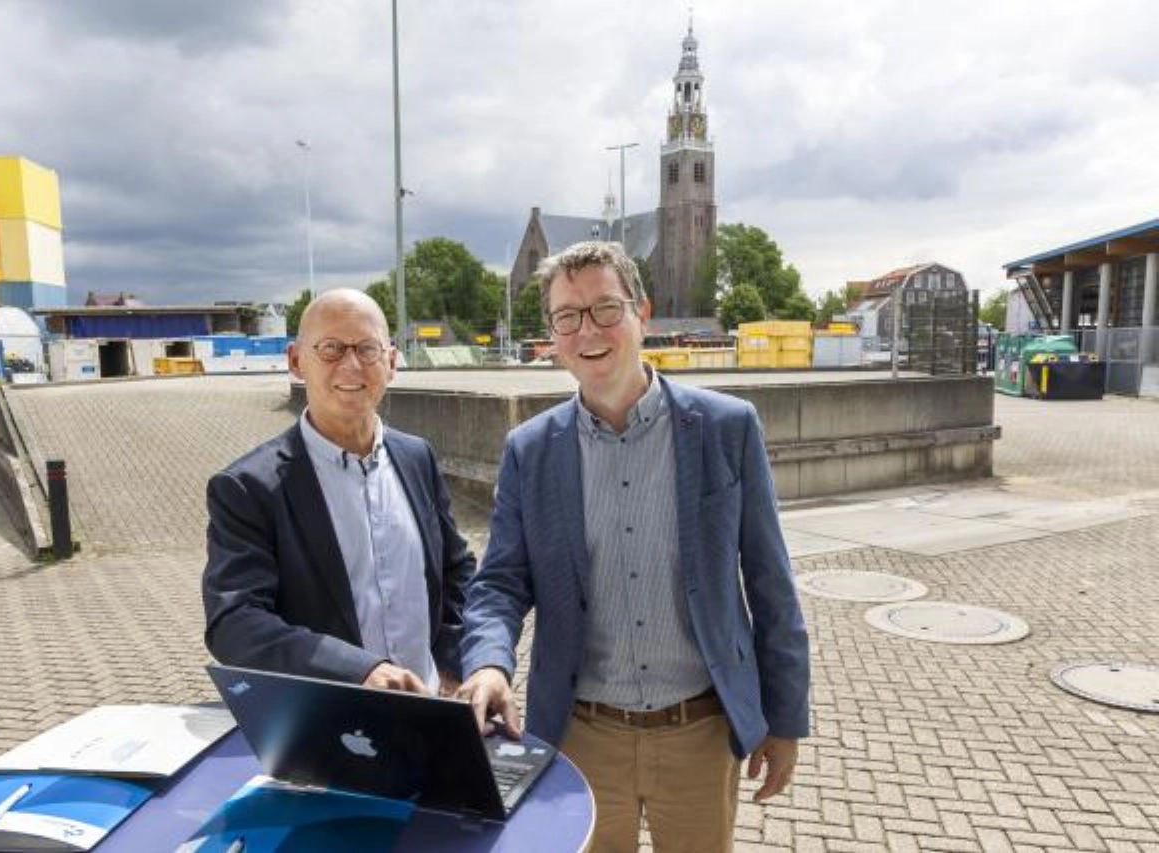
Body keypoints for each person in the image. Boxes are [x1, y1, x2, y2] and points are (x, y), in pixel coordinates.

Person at [458, 241, 810, 851]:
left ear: (642, 311)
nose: (586, 330)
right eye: (567, 315)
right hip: (579, 735)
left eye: (604, 308)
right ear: (552, 332)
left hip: (700, 731)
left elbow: (770, 582)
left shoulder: (728, 428)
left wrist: (785, 719)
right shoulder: (530, 449)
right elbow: (500, 583)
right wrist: (488, 663)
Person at [203, 288, 474, 695]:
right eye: (330, 349)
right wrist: (359, 670)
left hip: (433, 713)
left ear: (392, 362)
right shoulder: (248, 488)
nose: (351, 365)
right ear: (296, 361)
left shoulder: (417, 458)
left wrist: (455, 658)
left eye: (368, 349)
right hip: (329, 726)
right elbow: (235, 622)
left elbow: (456, 572)